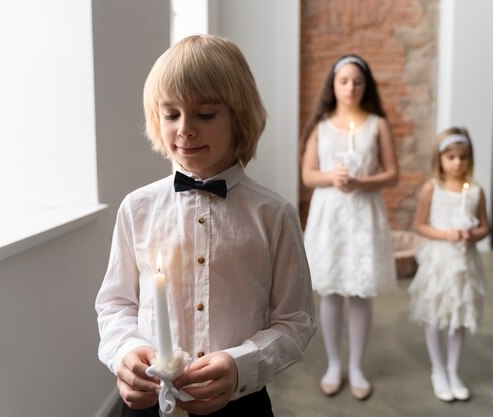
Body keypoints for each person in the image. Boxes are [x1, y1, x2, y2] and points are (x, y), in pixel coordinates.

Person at [95, 34, 316, 417]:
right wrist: (124, 352)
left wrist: (241, 364)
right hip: (152, 403)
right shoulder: (137, 208)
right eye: (171, 114)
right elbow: (116, 303)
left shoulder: (274, 214)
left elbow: (295, 320)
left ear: (239, 117)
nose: (185, 129)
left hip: (239, 402)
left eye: (206, 114)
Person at [301, 54, 399, 401]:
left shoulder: (377, 124)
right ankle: (334, 364)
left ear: (366, 85)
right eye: (344, 81)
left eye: (357, 81)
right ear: (333, 84)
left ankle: (357, 365)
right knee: (330, 291)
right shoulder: (321, 125)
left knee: (359, 290)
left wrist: (361, 181)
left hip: (363, 212)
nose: (350, 87)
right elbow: (309, 174)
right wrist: (333, 176)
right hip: (330, 215)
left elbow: (393, 173)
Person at [408, 127, 490, 402]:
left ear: (470, 159)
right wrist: (446, 234)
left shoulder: (477, 191)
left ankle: (454, 370)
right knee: (435, 314)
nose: (457, 163)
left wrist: (472, 234)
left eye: (463, 157)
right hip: (439, 261)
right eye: (451, 157)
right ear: (440, 159)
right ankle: (438, 369)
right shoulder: (432, 189)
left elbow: (485, 227)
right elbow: (420, 225)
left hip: (464, 262)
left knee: (459, 316)